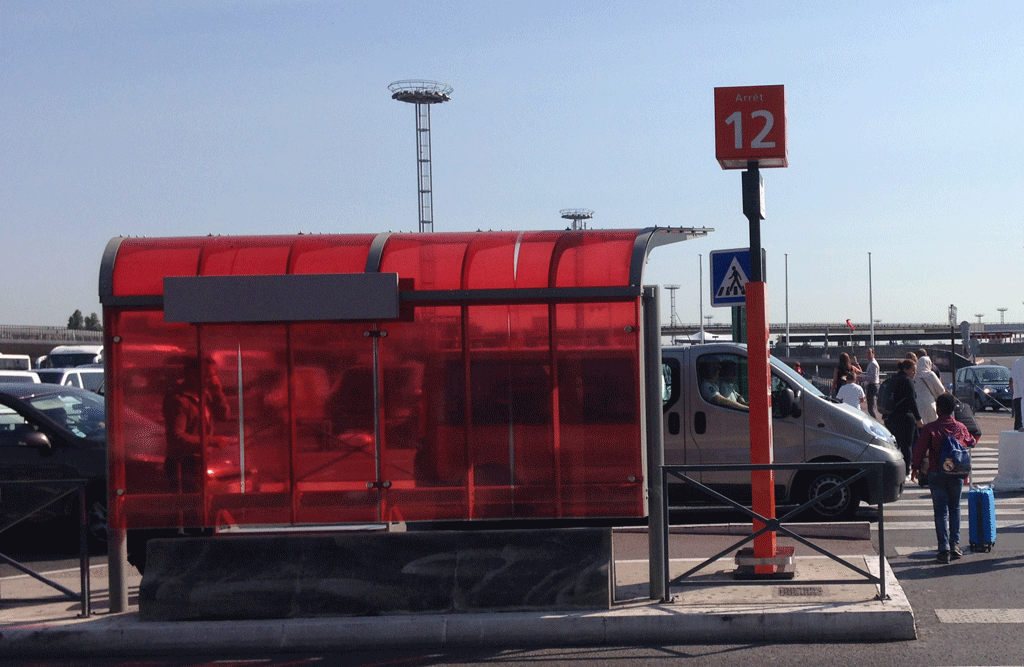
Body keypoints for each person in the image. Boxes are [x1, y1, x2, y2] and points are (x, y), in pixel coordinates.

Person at [911, 392, 977, 563]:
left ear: (938, 409)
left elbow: (919, 449)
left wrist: (915, 468)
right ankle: (955, 545)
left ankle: (943, 549)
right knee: (955, 508)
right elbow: (971, 442)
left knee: (940, 512)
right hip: (956, 474)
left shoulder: (930, 428)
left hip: (936, 473)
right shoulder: (960, 427)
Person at [163, 357, 232, 492]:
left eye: (214, 375)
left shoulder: (205, 396)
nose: (213, 379)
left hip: (199, 462)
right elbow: (175, 437)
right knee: (193, 507)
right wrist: (211, 441)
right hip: (183, 464)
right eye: (210, 375)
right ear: (195, 375)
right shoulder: (179, 400)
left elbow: (224, 416)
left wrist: (218, 392)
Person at [884, 358, 923, 478]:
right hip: (905, 417)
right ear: (906, 370)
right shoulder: (907, 381)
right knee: (907, 446)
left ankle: (893, 470)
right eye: (913, 370)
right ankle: (906, 471)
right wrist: (918, 418)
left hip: (890, 417)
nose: (914, 373)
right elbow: (912, 401)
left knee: (894, 446)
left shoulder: (892, 379)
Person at [914, 354, 945, 424]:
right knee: (932, 427)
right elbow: (941, 390)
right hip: (929, 404)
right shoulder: (930, 374)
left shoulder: (914, 376)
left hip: (916, 406)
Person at [864, 348, 880, 418]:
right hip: (872, 385)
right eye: (866, 353)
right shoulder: (871, 363)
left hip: (872, 386)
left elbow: (873, 378)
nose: (867, 355)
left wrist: (862, 378)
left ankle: (875, 422)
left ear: (873, 354)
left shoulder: (873, 364)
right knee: (870, 408)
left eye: (869, 353)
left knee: (871, 408)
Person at [1011, 355, 1024, 431]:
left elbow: (1011, 381)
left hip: (1017, 395)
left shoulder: (1016, 363)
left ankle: (1016, 441)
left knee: (1018, 421)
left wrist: (1013, 392)